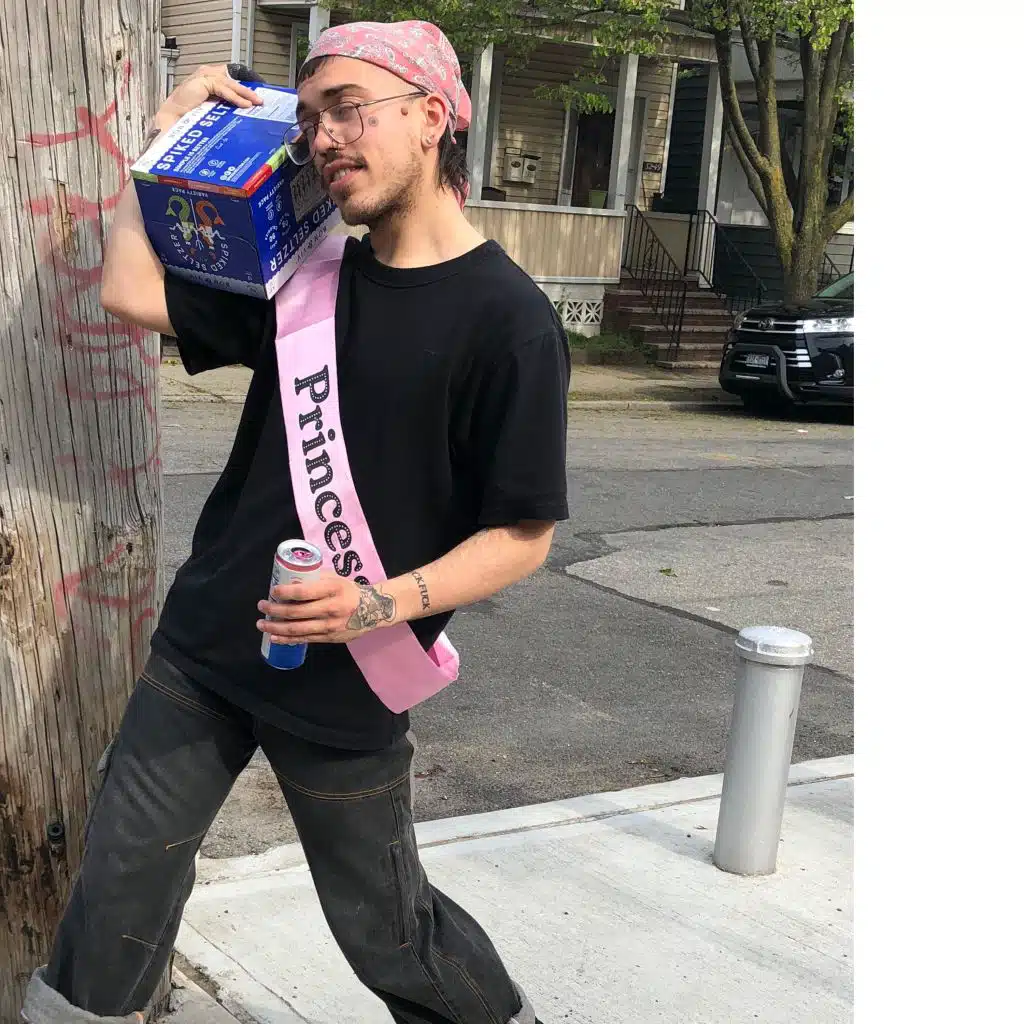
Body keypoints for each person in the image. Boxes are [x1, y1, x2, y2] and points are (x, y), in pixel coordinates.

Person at [21, 20, 568, 1024]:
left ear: (432, 116)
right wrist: (165, 139)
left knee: (389, 934)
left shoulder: (510, 320)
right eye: (311, 118)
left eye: (348, 110)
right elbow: (128, 290)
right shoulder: (305, 278)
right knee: (118, 886)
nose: (322, 139)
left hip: (348, 680)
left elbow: (523, 535)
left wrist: (375, 604)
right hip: (204, 651)